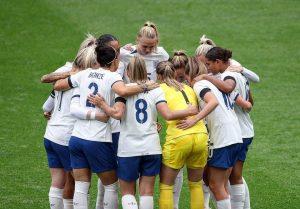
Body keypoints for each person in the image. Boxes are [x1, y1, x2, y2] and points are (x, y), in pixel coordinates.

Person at [53, 45, 159, 209]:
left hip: (76, 138)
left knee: (81, 186)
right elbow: (123, 91)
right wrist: (146, 86)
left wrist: (67, 76)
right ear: (114, 60)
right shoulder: (112, 77)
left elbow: (58, 85)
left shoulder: (83, 74)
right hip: (97, 139)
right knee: (110, 185)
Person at [88, 56, 197, 209]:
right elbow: (168, 114)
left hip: (129, 148)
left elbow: (117, 114)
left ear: (128, 71)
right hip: (151, 147)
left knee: (127, 192)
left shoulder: (124, 91)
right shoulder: (155, 90)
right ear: (146, 72)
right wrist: (189, 111)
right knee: (147, 192)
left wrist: (102, 104)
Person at [178, 57, 251, 209]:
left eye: (183, 77)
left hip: (223, 138)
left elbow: (213, 102)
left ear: (189, 73)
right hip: (235, 135)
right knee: (222, 184)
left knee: (216, 185)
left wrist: (194, 119)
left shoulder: (199, 84)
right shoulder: (214, 82)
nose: (184, 81)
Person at [41, 34, 98, 209]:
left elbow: (46, 106)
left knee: (59, 181)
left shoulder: (62, 69)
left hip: (50, 135)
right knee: (81, 183)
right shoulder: (85, 79)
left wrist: (49, 110)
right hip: (67, 137)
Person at [197, 47, 255, 209]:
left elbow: (228, 88)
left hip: (236, 133)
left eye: (209, 64)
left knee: (232, 178)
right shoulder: (240, 75)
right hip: (243, 130)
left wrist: (206, 78)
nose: (207, 68)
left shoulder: (228, 75)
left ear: (218, 62)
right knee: (233, 178)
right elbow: (250, 103)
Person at [155, 61, 208, 209]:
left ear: (158, 76)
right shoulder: (188, 88)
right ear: (173, 73)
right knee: (196, 184)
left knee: (166, 186)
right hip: (201, 135)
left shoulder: (158, 89)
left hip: (179, 137)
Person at [195, 35, 260, 83]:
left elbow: (256, 79)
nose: (203, 67)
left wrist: (242, 70)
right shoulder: (208, 70)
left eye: (206, 64)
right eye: (199, 63)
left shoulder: (233, 67)